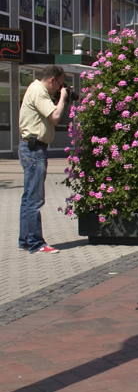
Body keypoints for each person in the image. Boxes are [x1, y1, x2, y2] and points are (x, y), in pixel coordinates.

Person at [19, 65, 68, 254]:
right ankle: (36, 243)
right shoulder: (39, 91)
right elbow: (55, 116)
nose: (59, 89)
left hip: (31, 147)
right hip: (34, 150)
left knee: (28, 198)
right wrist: (63, 98)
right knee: (34, 199)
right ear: (52, 79)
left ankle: (25, 240)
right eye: (59, 85)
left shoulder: (34, 89)